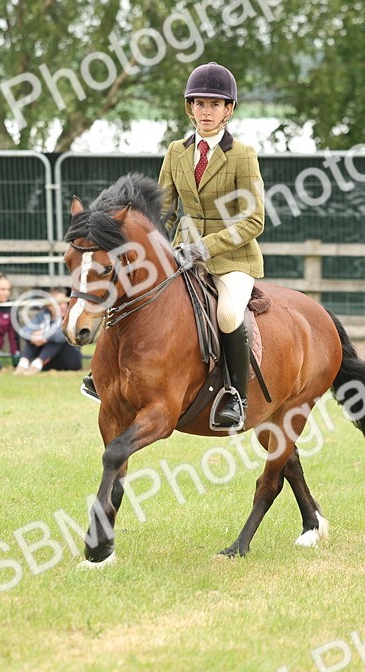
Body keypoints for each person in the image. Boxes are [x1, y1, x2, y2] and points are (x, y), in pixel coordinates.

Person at [81, 62, 265, 431]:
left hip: (231, 260)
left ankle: (235, 396)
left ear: (229, 110)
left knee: (228, 314)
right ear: (190, 108)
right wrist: (156, 247)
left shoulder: (242, 155)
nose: (206, 112)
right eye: (199, 104)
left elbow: (253, 219)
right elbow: (162, 211)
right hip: (180, 254)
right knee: (129, 291)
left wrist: (205, 248)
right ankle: (105, 377)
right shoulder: (176, 152)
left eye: (215, 104)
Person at [14, 288, 82, 374]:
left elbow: (62, 335)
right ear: (49, 306)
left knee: (57, 339)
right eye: (59, 303)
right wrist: (32, 336)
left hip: (69, 360)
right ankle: (23, 364)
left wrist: (43, 335)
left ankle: (36, 365)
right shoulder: (42, 315)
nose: (63, 306)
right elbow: (24, 331)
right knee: (33, 338)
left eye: (65, 302)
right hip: (49, 361)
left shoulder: (71, 317)